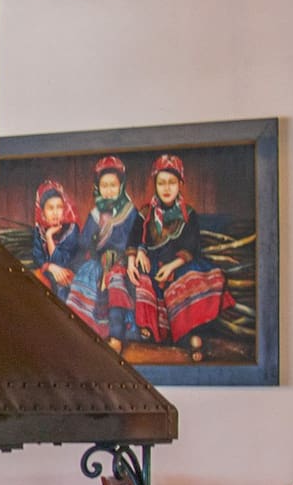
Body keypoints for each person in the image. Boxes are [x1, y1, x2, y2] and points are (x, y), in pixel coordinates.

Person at [130, 153, 228, 360]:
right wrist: (138, 252)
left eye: (172, 183)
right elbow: (135, 236)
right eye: (162, 183)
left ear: (180, 184)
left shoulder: (188, 214)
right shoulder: (146, 212)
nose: (166, 188)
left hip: (179, 264)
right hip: (153, 264)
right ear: (155, 185)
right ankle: (152, 330)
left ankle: (191, 336)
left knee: (189, 281)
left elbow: (192, 246)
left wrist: (173, 266)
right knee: (141, 280)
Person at [72, 154, 139, 350]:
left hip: (123, 261)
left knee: (115, 281)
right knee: (85, 277)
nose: (109, 191)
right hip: (99, 261)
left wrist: (116, 260)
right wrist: (93, 252)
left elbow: (134, 241)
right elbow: (84, 244)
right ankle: (86, 334)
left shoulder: (130, 212)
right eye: (104, 186)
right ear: (98, 188)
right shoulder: (94, 215)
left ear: (121, 186)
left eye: (113, 185)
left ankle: (117, 336)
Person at [30, 178, 83, 311]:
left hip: (70, 273)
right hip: (51, 272)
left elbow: (61, 262)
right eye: (50, 208)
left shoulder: (72, 229)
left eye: (59, 207)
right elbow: (37, 257)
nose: (55, 213)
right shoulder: (39, 229)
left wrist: (49, 237)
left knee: (61, 285)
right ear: (42, 212)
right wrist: (50, 267)